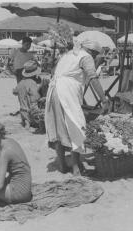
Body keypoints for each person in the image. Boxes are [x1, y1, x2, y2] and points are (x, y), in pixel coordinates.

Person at [45, 39, 110, 176]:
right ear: (93, 52)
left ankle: (62, 164)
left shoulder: (68, 54)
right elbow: (93, 78)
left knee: (59, 128)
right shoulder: (86, 57)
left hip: (54, 91)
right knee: (77, 126)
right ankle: (75, 167)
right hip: (66, 92)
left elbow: (56, 72)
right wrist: (104, 100)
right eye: (98, 55)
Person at [13, 60, 42, 131]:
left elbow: (15, 92)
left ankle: (26, 122)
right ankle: (33, 122)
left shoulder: (21, 83)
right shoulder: (32, 83)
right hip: (32, 112)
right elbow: (35, 98)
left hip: (23, 111)